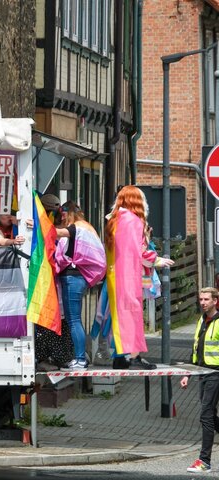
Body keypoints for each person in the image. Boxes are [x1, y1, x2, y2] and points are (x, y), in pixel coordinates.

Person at [103, 185, 174, 369]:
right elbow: (139, 251)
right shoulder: (133, 221)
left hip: (114, 275)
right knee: (133, 315)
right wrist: (157, 260)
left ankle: (119, 357)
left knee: (119, 317)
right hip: (129, 275)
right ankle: (134, 356)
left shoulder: (114, 220)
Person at [54, 202, 105, 371]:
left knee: (74, 320)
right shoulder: (88, 227)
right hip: (81, 277)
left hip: (72, 277)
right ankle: (79, 357)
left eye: (63, 216)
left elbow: (56, 233)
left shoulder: (76, 228)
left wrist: (37, 225)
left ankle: (80, 359)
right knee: (75, 319)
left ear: (70, 214)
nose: (62, 219)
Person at [181, 287, 219, 473]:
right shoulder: (201, 321)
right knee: (210, 416)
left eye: (206, 299)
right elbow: (195, 351)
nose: (202, 302)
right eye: (201, 299)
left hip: (215, 374)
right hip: (201, 374)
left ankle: (204, 461)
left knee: (205, 415)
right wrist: (187, 374)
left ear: (215, 301)